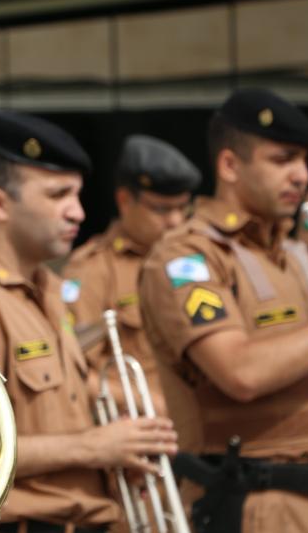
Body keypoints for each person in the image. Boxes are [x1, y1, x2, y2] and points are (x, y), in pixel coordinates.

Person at [0, 111, 178, 533]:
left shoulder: (50, 289)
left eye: (77, 195)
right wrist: (92, 449)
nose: (77, 212)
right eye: (58, 195)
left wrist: (115, 457)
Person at [138, 88, 308, 533]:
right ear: (229, 166)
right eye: (282, 160)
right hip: (250, 504)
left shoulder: (297, 253)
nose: (299, 174)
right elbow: (240, 372)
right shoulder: (186, 258)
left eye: (303, 161)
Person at [63, 135, 201, 417]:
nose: (175, 221)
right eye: (161, 209)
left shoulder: (199, 258)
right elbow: (72, 372)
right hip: (148, 428)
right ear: (125, 200)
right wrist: (147, 403)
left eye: (182, 208)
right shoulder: (92, 270)